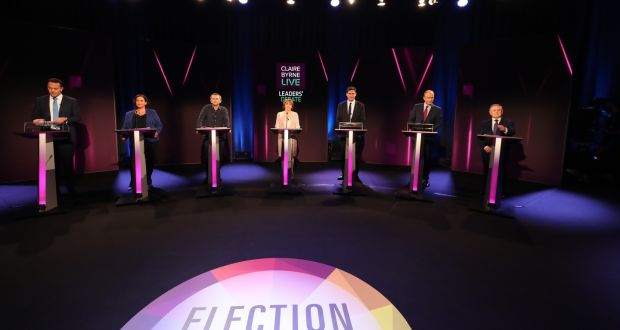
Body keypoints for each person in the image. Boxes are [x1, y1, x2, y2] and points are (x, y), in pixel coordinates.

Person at [31, 78, 81, 194]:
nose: (52, 91)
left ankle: (71, 191)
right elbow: (34, 116)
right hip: (48, 137)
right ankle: (54, 192)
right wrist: (36, 120)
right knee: (51, 167)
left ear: (61, 88)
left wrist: (66, 119)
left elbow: (77, 117)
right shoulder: (40, 100)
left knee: (67, 165)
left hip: (66, 138)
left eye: (55, 88)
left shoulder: (71, 101)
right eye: (50, 88)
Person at [121, 94, 163, 190]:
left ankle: (148, 180)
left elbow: (159, 125)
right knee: (134, 163)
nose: (139, 102)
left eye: (141, 100)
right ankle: (133, 182)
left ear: (145, 102)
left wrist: (157, 132)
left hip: (149, 140)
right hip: (135, 141)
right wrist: (124, 135)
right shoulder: (129, 114)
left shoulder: (152, 112)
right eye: (137, 100)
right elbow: (125, 127)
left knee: (149, 162)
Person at [408, 89, 442, 188]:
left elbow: (438, 124)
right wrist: (417, 129)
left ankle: (425, 179)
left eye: (432, 98)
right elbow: (411, 120)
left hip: (428, 139)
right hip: (417, 138)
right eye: (428, 97)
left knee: (426, 160)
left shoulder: (437, 109)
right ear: (424, 98)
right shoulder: (417, 107)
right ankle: (414, 178)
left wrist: (428, 130)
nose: (430, 99)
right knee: (416, 159)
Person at [479, 103, 515, 191]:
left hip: (501, 152)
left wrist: (505, 129)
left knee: (500, 174)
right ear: (490, 112)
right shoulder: (484, 123)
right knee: (488, 173)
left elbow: (512, 132)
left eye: (499, 110)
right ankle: (486, 191)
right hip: (488, 152)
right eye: (494, 110)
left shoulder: (508, 122)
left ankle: (500, 192)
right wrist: (485, 146)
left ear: (502, 111)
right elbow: (480, 137)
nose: (496, 112)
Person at [196, 93, 230, 184]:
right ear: (210, 100)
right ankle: (208, 176)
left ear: (220, 100)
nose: (215, 100)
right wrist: (199, 128)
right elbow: (200, 119)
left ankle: (217, 175)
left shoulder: (224, 109)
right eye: (213, 98)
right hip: (208, 137)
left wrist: (228, 128)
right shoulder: (206, 108)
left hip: (221, 137)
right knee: (207, 157)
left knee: (220, 158)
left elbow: (227, 121)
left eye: (217, 98)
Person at [336, 86, 366, 181]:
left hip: (357, 136)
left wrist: (358, 131)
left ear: (355, 94)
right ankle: (344, 174)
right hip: (343, 136)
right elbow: (338, 120)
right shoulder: (341, 105)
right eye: (350, 93)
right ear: (346, 94)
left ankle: (355, 175)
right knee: (342, 156)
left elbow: (362, 120)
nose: (351, 95)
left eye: (353, 93)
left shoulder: (361, 105)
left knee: (356, 157)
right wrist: (340, 131)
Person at [274, 98, 301, 174]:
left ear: (292, 106)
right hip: (282, 137)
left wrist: (296, 129)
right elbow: (276, 126)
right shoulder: (279, 114)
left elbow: (298, 126)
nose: (288, 106)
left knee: (292, 156)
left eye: (290, 104)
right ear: (284, 105)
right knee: (283, 156)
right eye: (286, 104)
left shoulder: (295, 114)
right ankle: (284, 173)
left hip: (292, 137)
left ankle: (291, 173)